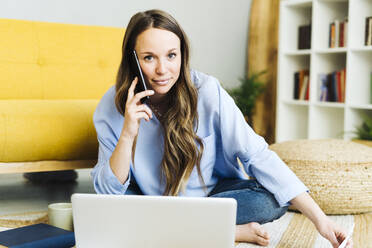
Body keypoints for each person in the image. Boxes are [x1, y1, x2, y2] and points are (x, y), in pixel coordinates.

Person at [91, 9, 353, 247]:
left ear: (182, 55)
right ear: (133, 60)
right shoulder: (110, 106)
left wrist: (321, 220)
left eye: (171, 55)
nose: (163, 70)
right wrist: (128, 134)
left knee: (271, 199)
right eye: (149, 58)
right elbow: (107, 191)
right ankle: (230, 231)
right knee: (114, 210)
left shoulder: (207, 91)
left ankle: (177, 227)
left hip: (208, 198)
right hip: (150, 201)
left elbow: (256, 155)